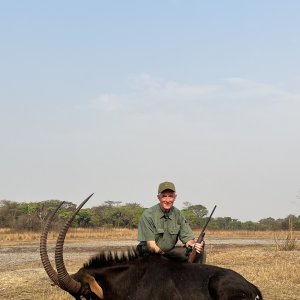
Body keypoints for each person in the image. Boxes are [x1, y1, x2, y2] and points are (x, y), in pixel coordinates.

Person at [137, 181, 205, 263]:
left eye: (170, 196)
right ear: (158, 197)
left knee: (198, 253)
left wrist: (194, 245)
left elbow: (188, 239)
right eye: (164, 196)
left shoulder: (178, 214)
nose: (168, 200)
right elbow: (151, 246)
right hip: (149, 253)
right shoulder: (148, 215)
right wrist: (167, 258)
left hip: (168, 252)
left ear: (175, 197)